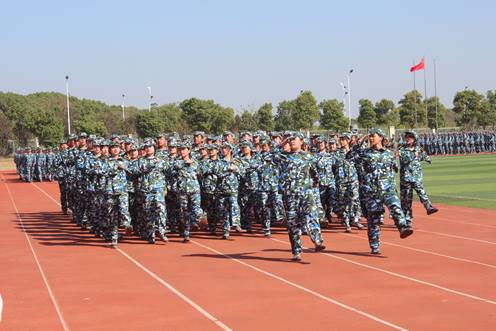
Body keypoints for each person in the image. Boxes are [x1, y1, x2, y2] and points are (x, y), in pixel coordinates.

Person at [358, 128, 414, 255]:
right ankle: (374, 245)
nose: (371, 138)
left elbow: (395, 168)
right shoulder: (364, 153)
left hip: (388, 188)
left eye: (373, 136)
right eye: (370, 136)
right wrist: (361, 140)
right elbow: (350, 155)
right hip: (372, 191)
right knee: (374, 219)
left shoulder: (389, 154)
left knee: (395, 206)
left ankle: (403, 227)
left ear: (381, 137)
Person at [278, 132, 325, 261]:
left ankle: (317, 240)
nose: (292, 141)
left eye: (294, 139)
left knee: (311, 214)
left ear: (301, 142)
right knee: (293, 224)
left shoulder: (308, 157)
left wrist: (315, 185)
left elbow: (316, 172)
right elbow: (270, 155)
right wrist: (283, 142)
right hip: (290, 195)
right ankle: (296, 251)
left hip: (305, 193)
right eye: (290, 139)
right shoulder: (283, 157)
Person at [398, 131, 438, 225]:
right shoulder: (402, 149)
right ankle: (407, 219)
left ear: (415, 139)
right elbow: (404, 159)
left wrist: (428, 159)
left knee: (421, 192)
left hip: (416, 177)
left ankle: (428, 207)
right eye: (407, 137)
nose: (408, 139)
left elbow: (424, 155)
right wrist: (413, 155)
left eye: (410, 137)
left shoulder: (418, 149)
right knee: (407, 199)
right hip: (406, 178)